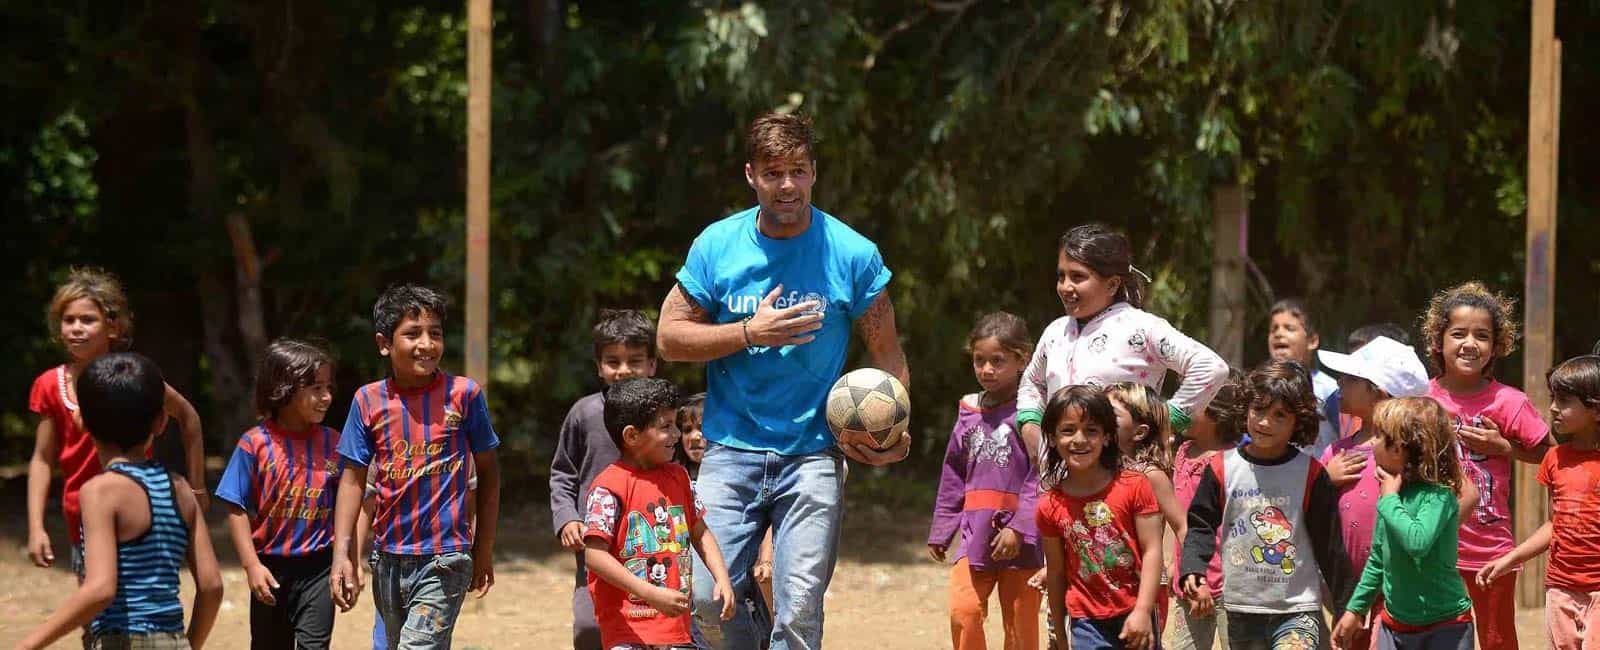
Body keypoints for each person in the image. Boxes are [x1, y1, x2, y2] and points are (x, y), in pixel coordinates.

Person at [655, 112, 912, 649]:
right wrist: (750, 331)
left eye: (798, 170)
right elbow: (669, 338)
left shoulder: (853, 254)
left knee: (797, 611)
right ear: (751, 175)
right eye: (773, 173)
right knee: (704, 599)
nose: (787, 184)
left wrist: (893, 430)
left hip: (814, 456)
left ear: (814, 171)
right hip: (728, 452)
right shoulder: (717, 245)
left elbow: (887, 355)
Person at [328, 284, 501, 650]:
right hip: (387, 558)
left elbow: (488, 473)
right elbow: (353, 481)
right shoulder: (367, 400)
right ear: (384, 343)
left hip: (446, 558)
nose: (426, 343)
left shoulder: (465, 395)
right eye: (412, 333)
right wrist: (343, 554)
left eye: (435, 333)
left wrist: (483, 547)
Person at [16, 353, 223, 650]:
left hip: (121, 640)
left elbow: (100, 589)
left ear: (81, 422)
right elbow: (212, 586)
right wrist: (189, 643)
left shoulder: (100, 492)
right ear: (162, 422)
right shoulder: (180, 489)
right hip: (174, 640)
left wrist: (28, 644)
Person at [27, 268, 208, 575]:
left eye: (87, 320)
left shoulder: (134, 377)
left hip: (139, 511)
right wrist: (36, 527)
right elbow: (43, 459)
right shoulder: (49, 385)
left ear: (112, 327)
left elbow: (188, 417)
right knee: (98, 614)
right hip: (81, 515)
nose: (76, 328)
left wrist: (198, 488)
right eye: (68, 320)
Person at [1016, 224, 1228, 462]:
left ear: (1112, 284)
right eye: (1061, 276)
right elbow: (1032, 381)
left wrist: (1167, 419)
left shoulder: (1141, 328)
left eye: (1077, 277)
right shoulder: (1056, 332)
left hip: (1123, 478)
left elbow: (1211, 367)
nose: (1065, 287)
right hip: (1060, 478)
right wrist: (1029, 423)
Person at [1180, 360, 1353, 649]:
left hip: (1297, 609)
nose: (1264, 422)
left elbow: (1330, 546)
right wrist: (1193, 570)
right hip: (1241, 609)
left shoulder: (1310, 474)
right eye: (1258, 409)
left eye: (1279, 415)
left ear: (1299, 421)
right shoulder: (1222, 468)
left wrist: (1347, 605)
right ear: (1245, 408)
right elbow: (1201, 526)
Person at [1420, 281, 1551, 650]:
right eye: (1458, 333)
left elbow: (1552, 455)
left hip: (1492, 553)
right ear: (1438, 340)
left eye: (1482, 335)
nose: (1470, 343)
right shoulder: (1422, 399)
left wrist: (1504, 447)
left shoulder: (1509, 402)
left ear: (1497, 345)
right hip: (1431, 549)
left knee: (1497, 641)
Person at [582, 378, 735, 649]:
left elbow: (701, 533)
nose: (677, 434)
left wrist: (722, 578)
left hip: (675, 628)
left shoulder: (680, 476)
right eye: (667, 427)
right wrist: (649, 593)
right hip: (627, 631)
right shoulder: (609, 487)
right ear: (632, 436)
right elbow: (594, 555)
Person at [215, 339, 342, 649]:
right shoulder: (254, 444)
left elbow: (351, 503)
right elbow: (235, 506)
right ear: (283, 389)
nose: (326, 397)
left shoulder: (335, 443)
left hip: (318, 568)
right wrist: (251, 566)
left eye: (328, 387)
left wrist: (346, 560)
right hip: (270, 568)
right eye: (315, 388)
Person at [928, 312, 1042, 650]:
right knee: (964, 611)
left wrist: (1020, 527)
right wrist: (942, 528)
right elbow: (953, 472)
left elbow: (1043, 472)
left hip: (1023, 541)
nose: (987, 369)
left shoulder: (1031, 412)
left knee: (1020, 628)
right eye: (980, 361)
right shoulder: (969, 409)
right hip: (974, 533)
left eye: (997, 361)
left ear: (1022, 360)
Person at [1314, 336, 1436, 650]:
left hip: (1400, 590)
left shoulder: (1414, 457)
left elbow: (1457, 498)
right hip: (1347, 589)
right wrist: (1326, 481)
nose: (1339, 382)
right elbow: (1310, 508)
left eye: (1351, 379)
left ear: (1378, 394)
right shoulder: (1337, 453)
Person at [551, 309, 659, 650]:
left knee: (651, 631)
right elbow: (562, 473)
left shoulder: (666, 416)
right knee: (589, 629)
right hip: (595, 547)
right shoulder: (584, 413)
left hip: (652, 547)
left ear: (653, 365)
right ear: (599, 366)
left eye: (635, 361)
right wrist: (567, 518)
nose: (623, 370)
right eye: (613, 361)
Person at [1477, 355, 1600, 649]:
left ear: (1596, 410)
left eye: (1565, 400)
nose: (1554, 408)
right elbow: (1553, 523)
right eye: (1553, 398)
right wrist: (1510, 558)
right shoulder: (1554, 459)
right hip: (1560, 586)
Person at [1333, 397, 1475, 650]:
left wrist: (1389, 500)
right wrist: (1355, 610)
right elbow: (1377, 559)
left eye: (1378, 436)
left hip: (1446, 628)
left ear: (1397, 449)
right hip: (1395, 626)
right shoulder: (1391, 497)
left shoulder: (1438, 496)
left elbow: (1417, 542)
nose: (1372, 443)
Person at [1037, 386, 1164, 650]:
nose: (1080, 439)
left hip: (1134, 612)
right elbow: (1057, 573)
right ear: (1051, 438)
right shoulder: (1049, 505)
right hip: (1086, 621)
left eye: (1091, 430)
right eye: (1068, 430)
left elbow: (1152, 550)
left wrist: (1143, 610)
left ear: (1107, 437)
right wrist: (1060, 635)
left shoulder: (1135, 486)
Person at [1167, 373, 1244, 650]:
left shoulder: (1235, 462)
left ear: (1216, 413)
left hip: (1229, 589)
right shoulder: (1183, 451)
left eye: (1189, 402)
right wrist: (1180, 566)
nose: (1179, 407)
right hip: (1188, 583)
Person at [1266, 299, 1339, 457]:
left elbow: (1348, 435)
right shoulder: (1263, 384)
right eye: (1273, 329)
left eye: (1289, 328)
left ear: (1312, 341)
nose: (1278, 333)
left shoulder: (1329, 390)